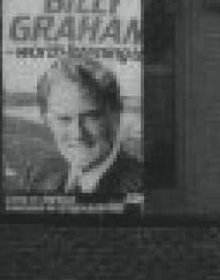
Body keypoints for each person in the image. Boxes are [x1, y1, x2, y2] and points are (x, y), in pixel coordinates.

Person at [22, 54, 144, 204]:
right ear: (47, 120)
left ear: (115, 115)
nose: (77, 133)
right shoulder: (38, 174)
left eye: (90, 117)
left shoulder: (142, 185)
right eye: (64, 119)